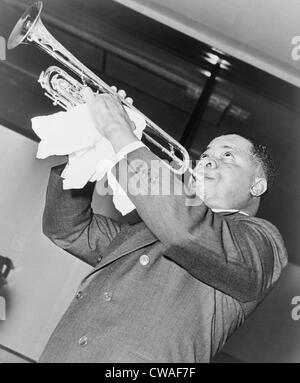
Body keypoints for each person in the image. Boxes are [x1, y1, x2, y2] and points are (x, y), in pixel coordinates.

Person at [39, 89, 287, 363]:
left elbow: (186, 230)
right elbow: (68, 229)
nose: (206, 160)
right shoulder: (146, 229)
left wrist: (119, 132)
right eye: (205, 154)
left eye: (228, 155)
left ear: (257, 184)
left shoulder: (261, 244)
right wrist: (86, 148)